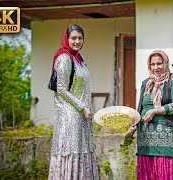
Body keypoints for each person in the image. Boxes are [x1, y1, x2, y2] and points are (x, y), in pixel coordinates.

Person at [125, 50, 173, 179]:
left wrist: (155, 111)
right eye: (153, 64)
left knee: (167, 170)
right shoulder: (146, 83)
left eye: (159, 63)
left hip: (168, 135)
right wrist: (132, 127)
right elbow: (140, 108)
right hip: (146, 138)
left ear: (166, 63)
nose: (156, 67)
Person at [48, 24, 99, 180]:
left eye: (80, 38)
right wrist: (81, 107)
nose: (77, 41)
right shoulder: (64, 58)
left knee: (83, 151)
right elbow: (61, 89)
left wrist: (85, 109)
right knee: (71, 152)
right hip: (69, 116)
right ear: (67, 39)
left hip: (81, 115)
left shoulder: (78, 58)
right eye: (73, 38)